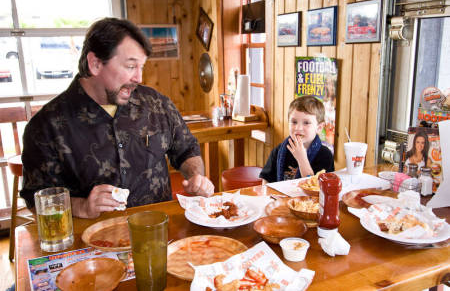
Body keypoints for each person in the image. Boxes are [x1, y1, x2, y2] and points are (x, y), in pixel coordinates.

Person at [20, 17, 214, 219]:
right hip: (89, 242)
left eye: (142, 67)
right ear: (95, 64)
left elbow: (187, 150)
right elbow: (36, 198)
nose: (138, 78)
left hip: (158, 234)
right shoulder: (45, 126)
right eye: (130, 66)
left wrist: (196, 176)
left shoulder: (157, 104)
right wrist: (82, 206)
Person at [259, 95, 334, 183]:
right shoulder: (279, 150)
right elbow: (266, 180)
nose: (298, 128)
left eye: (306, 123)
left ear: (319, 127)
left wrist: (302, 159)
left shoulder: (325, 155)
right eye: (294, 122)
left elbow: (316, 187)